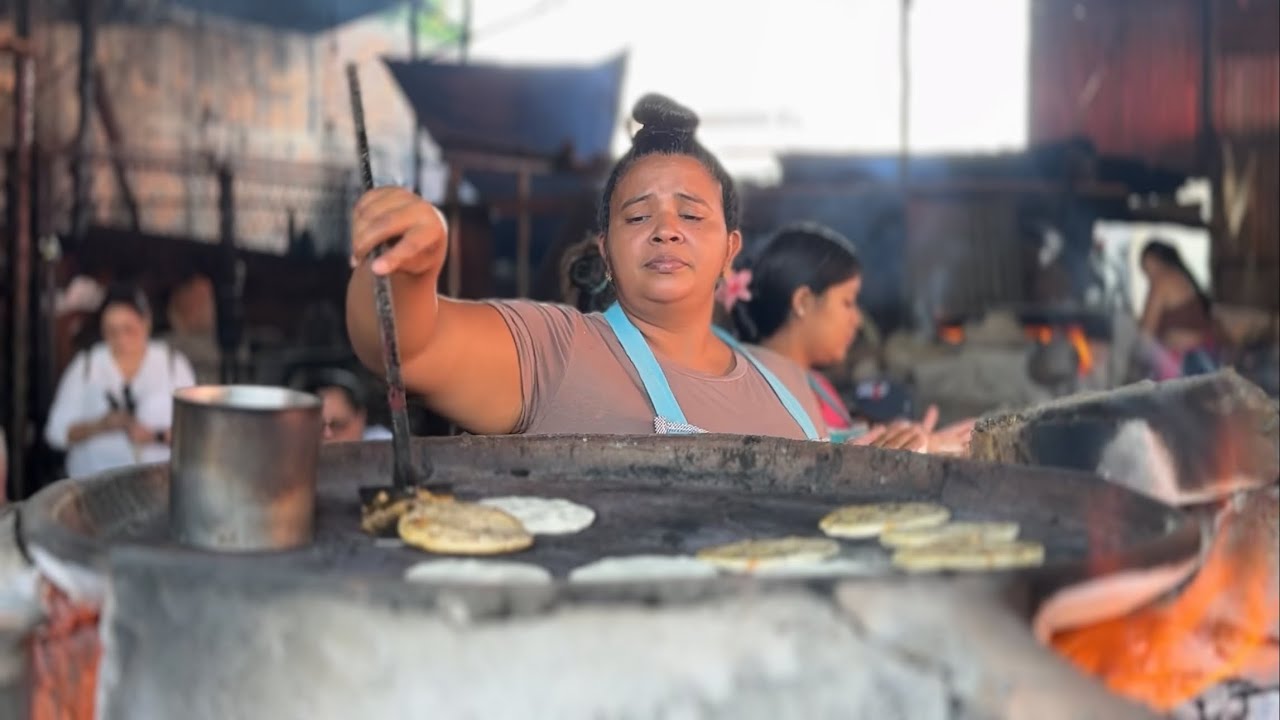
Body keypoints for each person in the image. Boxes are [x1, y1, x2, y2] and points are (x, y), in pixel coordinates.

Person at [347, 94, 923, 445]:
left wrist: (904, 452)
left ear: (730, 250)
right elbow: (405, 348)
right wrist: (407, 268)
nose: (665, 229)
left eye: (692, 215)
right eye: (638, 215)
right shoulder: (557, 351)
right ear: (605, 249)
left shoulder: (787, 382)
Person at [726, 222, 973, 455]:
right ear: (803, 302)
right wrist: (918, 447)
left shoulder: (818, 385)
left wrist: (910, 440)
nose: (857, 319)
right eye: (848, 302)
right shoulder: (760, 390)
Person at [44, 284, 196, 477]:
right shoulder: (87, 365)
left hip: (158, 486)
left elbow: (194, 433)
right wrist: (102, 425)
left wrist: (154, 436)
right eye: (111, 331)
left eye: (128, 329)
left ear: (146, 322)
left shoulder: (173, 364)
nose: (121, 339)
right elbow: (55, 432)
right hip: (92, 487)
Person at [1138, 240, 1216, 379]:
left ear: (1155, 261)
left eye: (1146, 268)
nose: (1147, 276)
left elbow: (1146, 333)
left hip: (1185, 363)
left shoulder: (1162, 280)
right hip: (1206, 356)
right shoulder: (1181, 277)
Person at [294, 368, 392, 444]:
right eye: (318, 427)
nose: (327, 435)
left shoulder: (385, 446)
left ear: (360, 419)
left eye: (337, 425)